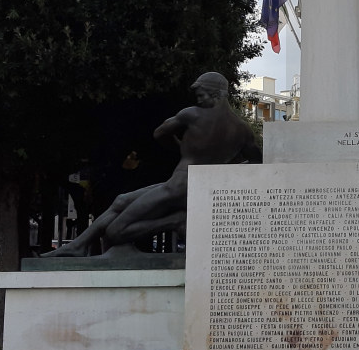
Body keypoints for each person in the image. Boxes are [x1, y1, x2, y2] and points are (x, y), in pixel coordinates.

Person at [46, 72, 260, 256]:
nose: (199, 100)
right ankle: (77, 246)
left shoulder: (192, 115)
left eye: (202, 95)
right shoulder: (242, 130)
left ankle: (175, 221)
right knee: (121, 201)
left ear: (216, 94)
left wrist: (180, 149)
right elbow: (257, 162)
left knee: (115, 232)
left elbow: (160, 133)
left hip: (176, 187)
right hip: (197, 188)